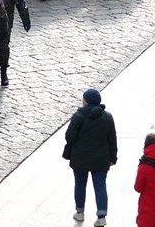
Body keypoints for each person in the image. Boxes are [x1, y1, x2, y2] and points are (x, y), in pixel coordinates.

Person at [64, 88, 117, 226]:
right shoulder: (107, 117)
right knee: (100, 186)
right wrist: (113, 158)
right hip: (101, 158)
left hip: (80, 158)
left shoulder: (78, 116)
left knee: (80, 184)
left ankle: (80, 212)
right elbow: (112, 140)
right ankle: (101, 216)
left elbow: (69, 137)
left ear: (86, 101)